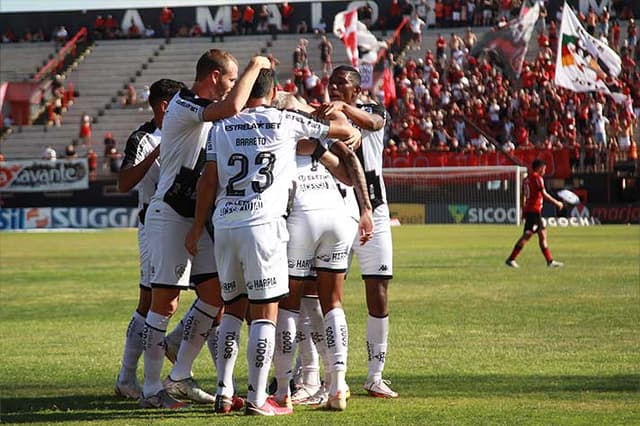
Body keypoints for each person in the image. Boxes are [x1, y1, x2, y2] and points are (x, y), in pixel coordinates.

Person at [185, 68, 363, 416]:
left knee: (233, 308)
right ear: (275, 90)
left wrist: (196, 227)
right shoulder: (284, 121)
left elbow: (209, 181)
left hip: (225, 222)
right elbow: (341, 131)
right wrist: (333, 123)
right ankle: (258, 398)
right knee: (267, 311)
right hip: (264, 225)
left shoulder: (221, 126)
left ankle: (224, 391)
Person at [141, 50, 271, 409]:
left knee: (216, 297)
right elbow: (230, 108)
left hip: (192, 218)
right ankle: (151, 391)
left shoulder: (202, 108)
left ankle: (179, 373)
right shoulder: (184, 103)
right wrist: (255, 66)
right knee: (164, 303)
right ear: (214, 77)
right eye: (230, 81)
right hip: (169, 213)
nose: (233, 89)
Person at [270, 93, 373, 411]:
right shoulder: (316, 139)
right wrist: (365, 207)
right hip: (336, 216)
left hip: (302, 217)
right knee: (333, 304)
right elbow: (347, 164)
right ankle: (338, 385)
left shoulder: (277, 134)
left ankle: (284, 390)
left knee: (289, 307)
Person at [316, 65, 399, 399]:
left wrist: (343, 110)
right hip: (334, 210)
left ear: (355, 88)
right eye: (331, 83)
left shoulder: (370, 108)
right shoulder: (320, 115)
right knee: (322, 292)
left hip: (374, 211)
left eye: (342, 83)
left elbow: (374, 124)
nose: (335, 87)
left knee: (378, 289)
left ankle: (375, 375)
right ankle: (325, 377)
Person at [114, 79, 186, 401]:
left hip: (184, 223)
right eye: (180, 102)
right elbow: (124, 183)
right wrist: (157, 151)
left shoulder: (185, 129)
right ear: (164, 106)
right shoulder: (142, 138)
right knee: (150, 302)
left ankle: (174, 356)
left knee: (204, 296)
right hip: (152, 226)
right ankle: (128, 378)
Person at [505, 159, 564, 268]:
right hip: (534, 211)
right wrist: (557, 203)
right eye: (544, 169)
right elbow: (544, 194)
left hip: (532, 211)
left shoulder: (526, 179)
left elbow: (523, 195)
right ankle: (511, 259)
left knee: (543, 235)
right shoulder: (538, 179)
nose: (545, 171)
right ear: (540, 168)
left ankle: (550, 261)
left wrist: (523, 209)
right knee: (527, 236)